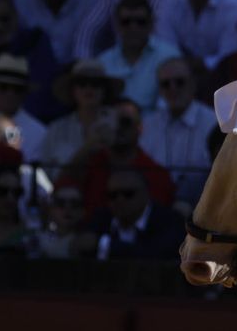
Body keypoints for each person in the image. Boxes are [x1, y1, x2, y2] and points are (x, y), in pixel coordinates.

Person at [139, 55, 213, 210]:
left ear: (193, 84)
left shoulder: (213, 123)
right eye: (166, 84)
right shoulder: (147, 125)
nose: (173, 88)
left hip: (202, 205)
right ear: (159, 90)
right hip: (156, 206)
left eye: (179, 82)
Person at [90, 164, 184, 261]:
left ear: (146, 194)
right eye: (113, 195)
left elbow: (155, 256)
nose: (120, 200)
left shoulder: (169, 221)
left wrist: (103, 244)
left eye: (128, 194)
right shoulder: (101, 219)